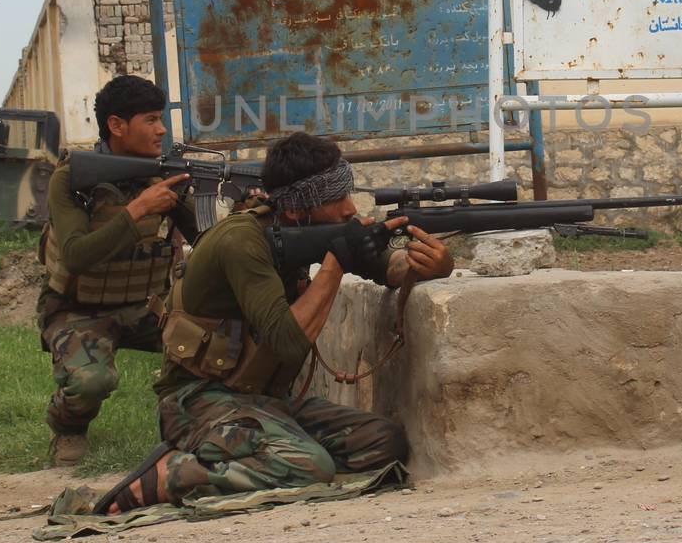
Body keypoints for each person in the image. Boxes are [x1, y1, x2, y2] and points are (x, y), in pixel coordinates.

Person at [92, 131, 454, 511]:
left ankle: (253, 456)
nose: (349, 208)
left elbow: (387, 267)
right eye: (335, 198)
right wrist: (334, 265)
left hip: (263, 402)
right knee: (309, 467)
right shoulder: (242, 241)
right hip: (199, 402)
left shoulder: (307, 232)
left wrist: (425, 264)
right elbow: (286, 341)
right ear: (298, 208)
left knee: (382, 442)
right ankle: (172, 474)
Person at [37, 75, 194, 468]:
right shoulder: (74, 178)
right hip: (79, 308)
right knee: (91, 382)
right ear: (116, 125)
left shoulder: (163, 173)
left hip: (147, 307)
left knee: (219, 345)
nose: (161, 130)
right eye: (151, 120)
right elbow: (74, 256)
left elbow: (206, 238)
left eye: (162, 120)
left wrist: (244, 209)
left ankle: (200, 423)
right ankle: (67, 427)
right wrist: (139, 209)